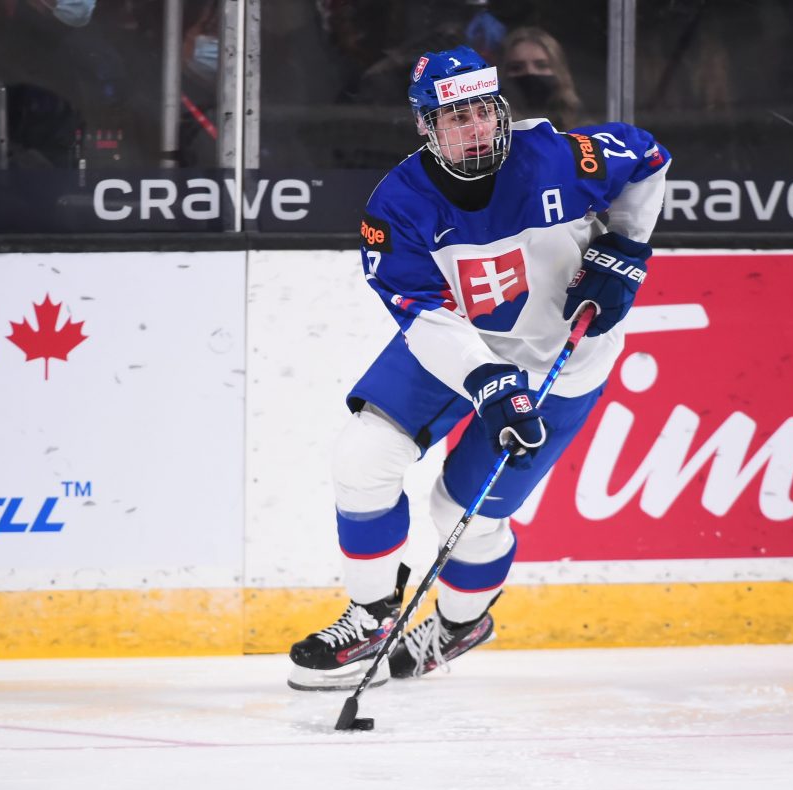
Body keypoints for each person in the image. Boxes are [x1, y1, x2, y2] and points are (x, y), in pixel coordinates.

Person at [287, 45, 670, 690]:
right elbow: (426, 317)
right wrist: (487, 379)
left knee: (460, 513)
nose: (473, 131)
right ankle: (373, 614)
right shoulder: (397, 206)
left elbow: (647, 157)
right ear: (426, 127)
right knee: (361, 457)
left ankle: (459, 624)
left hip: (562, 361)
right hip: (460, 346)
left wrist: (625, 247)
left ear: (499, 110)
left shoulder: (556, 158)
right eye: (454, 118)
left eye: (482, 114)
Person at [499, 26, 583, 131]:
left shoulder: (584, 135)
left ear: (559, 71)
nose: (530, 72)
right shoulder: (492, 137)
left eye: (542, 65)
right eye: (516, 67)